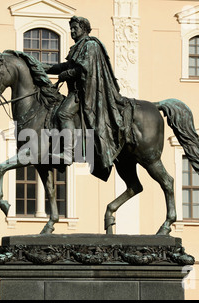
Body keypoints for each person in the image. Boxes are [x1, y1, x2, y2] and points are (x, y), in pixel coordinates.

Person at [43, 16, 128, 181]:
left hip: (84, 94)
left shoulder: (90, 45)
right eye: (71, 28)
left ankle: (68, 152)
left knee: (63, 114)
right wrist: (41, 67)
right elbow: (65, 66)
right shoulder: (78, 47)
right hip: (76, 92)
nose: (72, 31)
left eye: (75, 28)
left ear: (84, 28)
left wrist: (66, 74)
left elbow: (84, 68)